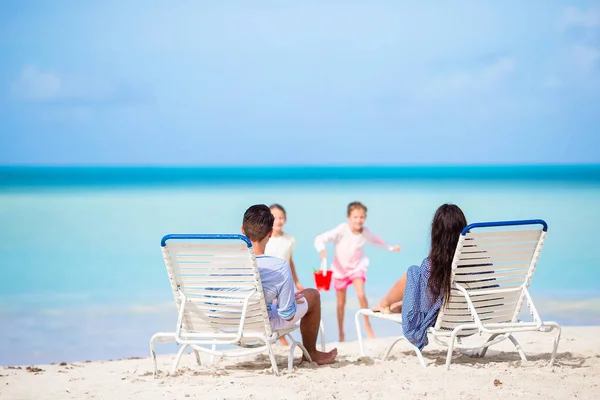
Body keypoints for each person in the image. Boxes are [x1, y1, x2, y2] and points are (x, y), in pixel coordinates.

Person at [242, 204, 337, 365]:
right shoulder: (279, 267)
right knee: (312, 294)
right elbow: (287, 314)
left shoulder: (220, 260)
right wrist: (288, 300)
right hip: (258, 324)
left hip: (225, 324)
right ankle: (311, 354)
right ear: (270, 233)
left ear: (242, 230)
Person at [371, 203, 467, 349]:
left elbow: (426, 301)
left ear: (436, 232)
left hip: (446, 320)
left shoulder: (432, 265)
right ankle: (393, 305)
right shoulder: (477, 260)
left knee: (413, 273)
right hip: (472, 319)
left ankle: (384, 303)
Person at [314, 201, 401, 342]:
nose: (359, 220)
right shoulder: (342, 230)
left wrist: (391, 248)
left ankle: (367, 325)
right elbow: (321, 238)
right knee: (341, 303)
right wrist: (322, 249)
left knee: (361, 294)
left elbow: (376, 241)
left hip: (357, 268)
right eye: (355, 217)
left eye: (361, 217)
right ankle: (341, 333)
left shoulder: (365, 232)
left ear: (365, 218)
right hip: (339, 270)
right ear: (348, 217)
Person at [265, 203, 304, 347]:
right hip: (270, 282)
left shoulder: (289, 239)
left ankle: (280, 339)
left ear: (285, 219)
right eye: (275, 218)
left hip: (284, 282)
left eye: (281, 218)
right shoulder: (265, 239)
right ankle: (282, 340)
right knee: (275, 310)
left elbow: (290, 261)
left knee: (283, 311)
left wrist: (297, 281)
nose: (278, 221)